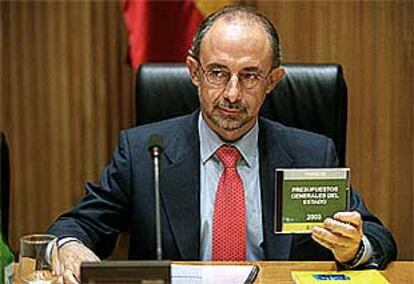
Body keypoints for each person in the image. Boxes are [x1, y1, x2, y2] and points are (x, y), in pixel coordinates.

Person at [48, 5, 397, 283]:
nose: (232, 94)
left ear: (272, 81)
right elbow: (75, 226)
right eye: (217, 72)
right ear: (194, 72)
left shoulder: (311, 154)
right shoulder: (143, 152)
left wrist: (354, 248)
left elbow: (378, 238)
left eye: (249, 76)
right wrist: (68, 247)